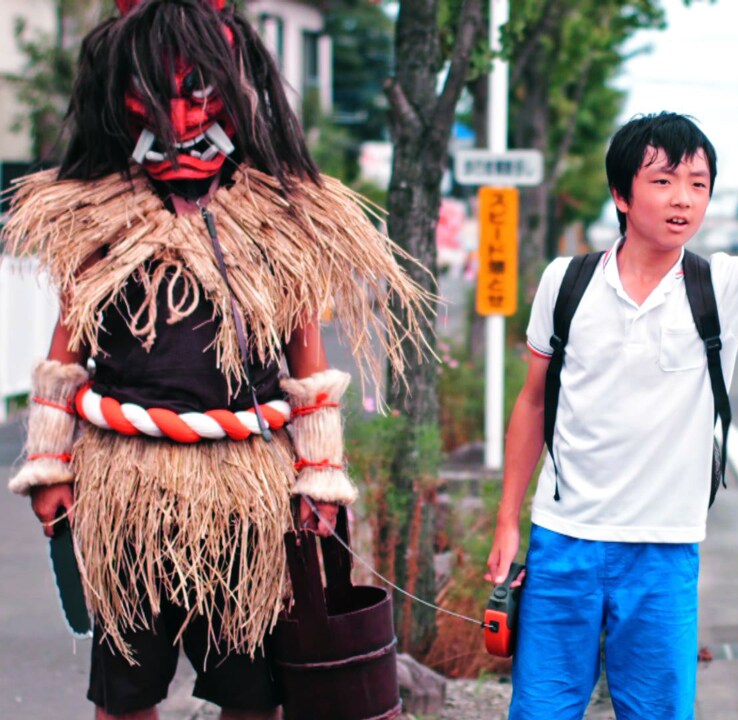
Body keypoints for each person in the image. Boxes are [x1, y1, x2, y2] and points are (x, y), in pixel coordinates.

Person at [3, 0, 432, 717]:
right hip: (124, 489)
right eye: (158, 90)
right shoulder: (95, 216)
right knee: (125, 690)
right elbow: (65, 348)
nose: (182, 114)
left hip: (246, 493)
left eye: (200, 89)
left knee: (251, 691)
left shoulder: (284, 218)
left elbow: (308, 362)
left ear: (233, 86)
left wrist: (320, 480)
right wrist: (49, 468)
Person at [485, 109, 738, 719]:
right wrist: (508, 522)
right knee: (540, 710)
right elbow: (534, 401)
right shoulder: (565, 283)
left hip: (664, 550)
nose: (683, 200)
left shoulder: (723, 285)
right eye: (664, 181)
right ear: (622, 196)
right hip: (563, 541)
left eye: (698, 184)